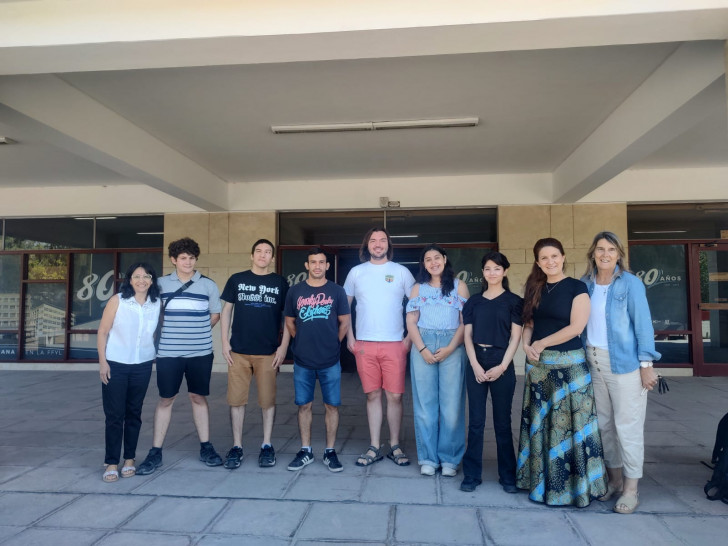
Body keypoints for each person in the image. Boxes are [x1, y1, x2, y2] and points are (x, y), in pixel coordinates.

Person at [516, 237, 607, 507]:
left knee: (572, 428)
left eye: (554, 256)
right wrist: (525, 345)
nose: (550, 262)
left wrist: (541, 343)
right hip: (539, 368)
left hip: (571, 368)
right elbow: (528, 324)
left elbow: (577, 327)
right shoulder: (535, 287)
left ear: (563, 256)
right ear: (537, 262)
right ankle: (542, 485)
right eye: (544, 258)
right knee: (543, 427)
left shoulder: (577, 287)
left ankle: (576, 489)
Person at [581, 231, 660, 514]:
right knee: (603, 426)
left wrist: (647, 366)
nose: (605, 254)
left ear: (619, 254)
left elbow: (643, 325)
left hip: (625, 364)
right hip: (593, 361)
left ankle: (631, 489)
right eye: (600, 248)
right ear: (592, 253)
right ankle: (614, 481)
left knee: (627, 427)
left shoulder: (630, 283)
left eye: (611, 250)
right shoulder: (585, 284)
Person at [137, 237, 223, 475]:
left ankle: (206, 447)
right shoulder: (161, 284)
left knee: (198, 397)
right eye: (183, 258)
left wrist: (196, 332)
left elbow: (215, 315)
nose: (188, 262)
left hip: (201, 352)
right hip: (168, 353)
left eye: (192, 258)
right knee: (166, 399)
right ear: (173, 260)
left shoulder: (208, 285)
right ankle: (156, 452)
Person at [344, 227, 415, 467]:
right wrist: (350, 338)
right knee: (372, 395)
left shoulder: (401, 272)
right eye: (373, 240)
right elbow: (345, 308)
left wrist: (409, 339)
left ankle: (394, 444)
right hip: (364, 344)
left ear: (388, 245)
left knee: (394, 396)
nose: (377, 244)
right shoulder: (356, 273)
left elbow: (415, 306)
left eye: (382, 240)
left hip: (395, 343)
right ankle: (374, 446)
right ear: (367, 245)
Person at [220, 239, 290, 469]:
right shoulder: (237, 279)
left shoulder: (280, 282)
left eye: (267, 252)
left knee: (267, 401)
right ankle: (237, 446)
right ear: (252, 256)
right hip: (238, 351)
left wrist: (283, 347)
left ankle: (266, 445)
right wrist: (223, 343)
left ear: (272, 258)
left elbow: (288, 317)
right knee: (236, 401)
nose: (263, 255)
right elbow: (227, 310)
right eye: (259, 251)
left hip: (268, 352)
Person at [460, 251, 522, 493]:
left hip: (501, 361)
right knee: (475, 422)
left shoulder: (514, 301)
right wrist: (475, 364)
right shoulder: (473, 302)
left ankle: (507, 475)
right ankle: (472, 475)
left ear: (504, 271)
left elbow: (516, 337)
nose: (492, 273)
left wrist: (503, 366)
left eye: (497, 268)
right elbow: (467, 335)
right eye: (487, 268)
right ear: (483, 272)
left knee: (502, 422)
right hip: (476, 359)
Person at [284, 248, 351, 472]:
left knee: (331, 405)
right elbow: (290, 322)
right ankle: (306, 450)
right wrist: (301, 340)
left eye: (321, 262)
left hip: (330, 360)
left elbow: (344, 322)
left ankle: (330, 451)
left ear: (327, 266)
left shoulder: (337, 291)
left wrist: (334, 342)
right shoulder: (295, 291)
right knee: (304, 405)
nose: (317, 266)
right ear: (307, 266)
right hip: (303, 360)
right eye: (313, 262)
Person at [405, 244, 469, 477]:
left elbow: (465, 322)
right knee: (425, 405)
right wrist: (421, 348)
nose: (433, 262)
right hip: (423, 342)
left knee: (451, 406)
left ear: (444, 259)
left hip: (453, 343)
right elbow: (411, 322)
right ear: (423, 264)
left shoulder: (458, 286)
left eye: (437, 257)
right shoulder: (417, 288)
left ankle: (450, 458)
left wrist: (452, 346)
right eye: (428, 259)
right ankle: (429, 458)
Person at [98, 263, 161, 482]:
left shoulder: (156, 303)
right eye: (137, 276)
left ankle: (130, 459)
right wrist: (103, 362)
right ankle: (112, 462)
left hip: (142, 365)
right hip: (116, 363)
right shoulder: (118, 300)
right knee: (115, 415)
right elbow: (103, 331)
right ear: (130, 280)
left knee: (134, 413)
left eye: (146, 276)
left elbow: (152, 334)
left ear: (152, 280)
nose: (141, 280)